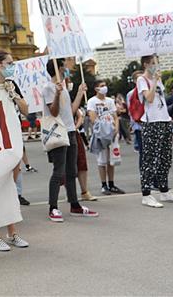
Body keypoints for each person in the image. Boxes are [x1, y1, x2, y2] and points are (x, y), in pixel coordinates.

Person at [0, 51, 29, 250]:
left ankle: (12, 233)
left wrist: (14, 94)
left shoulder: (11, 84)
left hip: (13, 141)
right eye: (10, 63)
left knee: (11, 187)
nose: (13, 66)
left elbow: (26, 110)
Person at [43, 57, 98, 222]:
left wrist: (80, 93)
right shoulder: (48, 88)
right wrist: (58, 93)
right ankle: (53, 207)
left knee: (71, 171)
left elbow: (72, 110)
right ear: (58, 68)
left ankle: (75, 205)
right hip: (58, 132)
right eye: (64, 66)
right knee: (59, 172)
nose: (66, 68)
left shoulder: (64, 87)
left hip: (71, 131)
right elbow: (53, 112)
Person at [137, 55, 173, 208]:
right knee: (150, 159)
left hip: (164, 120)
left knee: (165, 158)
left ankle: (164, 190)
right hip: (151, 122)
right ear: (146, 64)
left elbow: (162, 101)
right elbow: (149, 99)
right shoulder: (142, 80)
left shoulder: (157, 80)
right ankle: (146, 194)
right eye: (153, 63)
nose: (155, 66)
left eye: (156, 63)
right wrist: (155, 82)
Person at [87, 81, 125, 195]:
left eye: (105, 85)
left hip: (112, 133)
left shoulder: (109, 101)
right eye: (101, 86)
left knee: (112, 159)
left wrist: (116, 129)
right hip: (101, 134)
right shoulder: (92, 101)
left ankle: (112, 184)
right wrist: (103, 131)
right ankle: (104, 185)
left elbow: (115, 116)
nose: (104, 88)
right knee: (102, 161)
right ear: (96, 88)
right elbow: (93, 119)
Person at [73, 107, 97, 202]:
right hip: (61, 134)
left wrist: (75, 127)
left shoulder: (70, 101)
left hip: (74, 133)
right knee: (66, 165)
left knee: (81, 162)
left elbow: (80, 115)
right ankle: (70, 193)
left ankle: (84, 191)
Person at [126, 70, 144, 160]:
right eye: (138, 78)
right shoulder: (131, 94)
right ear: (134, 81)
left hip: (151, 124)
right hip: (139, 125)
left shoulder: (149, 91)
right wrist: (133, 124)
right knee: (143, 152)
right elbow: (131, 111)